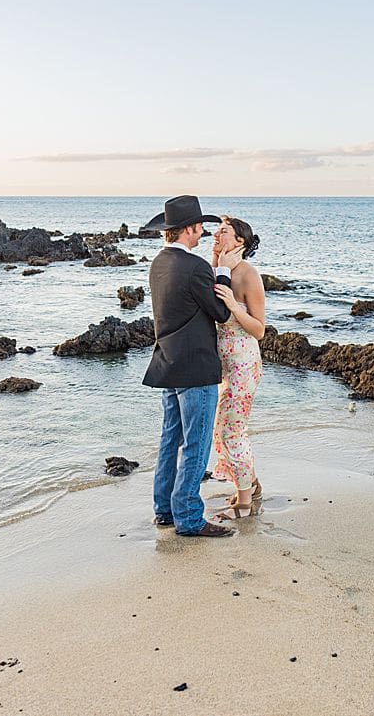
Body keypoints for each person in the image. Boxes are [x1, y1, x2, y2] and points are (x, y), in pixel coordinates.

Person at [142, 196, 244, 538]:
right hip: (196, 367)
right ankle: (188, 518)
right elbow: (220, 312)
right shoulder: (195, 267)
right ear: (189, 229)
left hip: (167, 362)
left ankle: (164, 510)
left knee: (171, 440)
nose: (203, 231)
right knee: (196, 444)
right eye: (200, 226)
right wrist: (224, 272)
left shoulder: (159, 263)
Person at [208, 216, 265, 519]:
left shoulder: (247, 275)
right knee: (221, 430)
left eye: (224, 231)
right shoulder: (218, 270)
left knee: (233, 432)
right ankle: (250, 485)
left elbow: (259, 329)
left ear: (240, 242)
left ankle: (245, 503)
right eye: (216, 230)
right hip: (223, 366)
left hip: (243, 363)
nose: (216, 234)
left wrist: (232, 304)